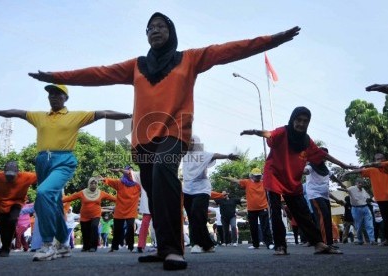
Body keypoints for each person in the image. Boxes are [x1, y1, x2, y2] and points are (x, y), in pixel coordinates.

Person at [28, 11, 300, 270]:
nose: (155, 30)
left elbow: (229, 49)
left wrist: (273, 40)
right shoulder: (137, 66)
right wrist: (57, 77)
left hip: (175, 133)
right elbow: (98, 73)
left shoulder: (190, 59)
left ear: (172, 31)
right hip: (144, 139)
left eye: (161, 26)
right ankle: (161, 248)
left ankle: (172, 249)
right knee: (153, 191)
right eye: (150, 27)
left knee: (163, 172)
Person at [0, 84, 130, 261]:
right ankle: (64, 245)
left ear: (66, 98)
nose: (53, 96)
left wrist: (129, 116)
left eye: (58, 94)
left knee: (43, 193)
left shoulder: (76, 116)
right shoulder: (39, 117)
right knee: (55, 204)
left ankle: (47, 244)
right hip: (43, 160)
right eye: (50, 93)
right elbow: (17, 112)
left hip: (64, 160)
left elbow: (103, 113)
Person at [240, 106, 355, 255]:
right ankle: (280, 246)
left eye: (305, 121)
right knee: (275, 211)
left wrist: (344, 165)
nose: (301, 124)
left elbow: (323, 155)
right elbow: (270, 134)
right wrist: (255, 132)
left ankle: (319, 244)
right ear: (292, 119)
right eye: (298, 120)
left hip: (292, 181)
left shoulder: (307, 141)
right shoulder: (283, 132)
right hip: (274, 176)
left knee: (303, 213)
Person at [182, 135, 238, 253]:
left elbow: (215, 154)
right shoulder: (184, 153)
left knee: (197, 214)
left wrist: (227, 156)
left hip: (202, 189)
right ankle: (207, 245)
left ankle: (196, 244)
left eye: (191, 141)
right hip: (187, 190)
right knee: (192, 217)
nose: (189, 142)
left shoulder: (202, 154)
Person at [341, 153, 388, 246]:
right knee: (386, 220)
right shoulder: (372, 170)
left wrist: (369, 164)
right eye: (377, 159)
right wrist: (347, 172)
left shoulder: (386, 164)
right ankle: (387, 239)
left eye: (381, 158)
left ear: (384, 159)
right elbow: (360, 170)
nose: (379, 160)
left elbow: (378, 165)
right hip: (381, 198)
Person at [303, 147, 346, 248]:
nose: (324, 158)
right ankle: (325, 243)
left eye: (325, 156)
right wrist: (298, 168)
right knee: (323, 217)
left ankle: (329, 243)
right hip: (314, 195)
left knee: (327, 218)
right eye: (322, 155)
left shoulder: (325, 168)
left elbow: (333, 177)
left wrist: (341, 184)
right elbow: (306, 171)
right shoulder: (311, 165)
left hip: (325, 196)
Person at [222, 168, 274, 250]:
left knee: (265, 226)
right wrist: (227, 178)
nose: (258, 177)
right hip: (251, 209)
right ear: (252, 176)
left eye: (259, 176)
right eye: (256, 176)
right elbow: (236, 180)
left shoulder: (264, 182)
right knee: (253, 227)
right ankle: (255, 244)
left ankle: (269, 243)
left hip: (263, 208)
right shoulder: (247, 182)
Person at [62, 177, 116, 252]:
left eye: (95, 183)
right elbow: (71, 197)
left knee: (94, 227)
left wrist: (124, 200)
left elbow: (113, 198)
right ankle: (86, 246)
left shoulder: (101, 193)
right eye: (91, 183)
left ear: (97, 184)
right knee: (85, 231)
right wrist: (60, 200)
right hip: (84, 215)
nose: (93, 185)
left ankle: (93, 246)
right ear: (89, 184)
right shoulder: (82, 192)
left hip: (96, 214)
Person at [101, 167, 141, 253]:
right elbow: (109, 180)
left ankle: (131, 247)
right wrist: (103, 179)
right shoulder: (120, 183)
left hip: (131, 211)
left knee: (130, 229)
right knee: (117, 229)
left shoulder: (138, 185)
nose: (129, 173)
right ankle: (114, 247)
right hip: (119, 210)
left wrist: (120, 170)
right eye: (128, 171)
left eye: (130, 172)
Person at [337, 179, 377, 245]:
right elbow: (346, 189)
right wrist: (342, 188)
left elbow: (367, 198)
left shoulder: (363, 190)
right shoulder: (352, 188)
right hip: (356, 209)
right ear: (356, 183)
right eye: (359, 183)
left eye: (362, 183)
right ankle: (360, 240)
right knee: (358, 226)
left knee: (370, 225)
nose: (361, 184)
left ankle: (372, 240)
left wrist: (374, 201)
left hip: (365, 208)